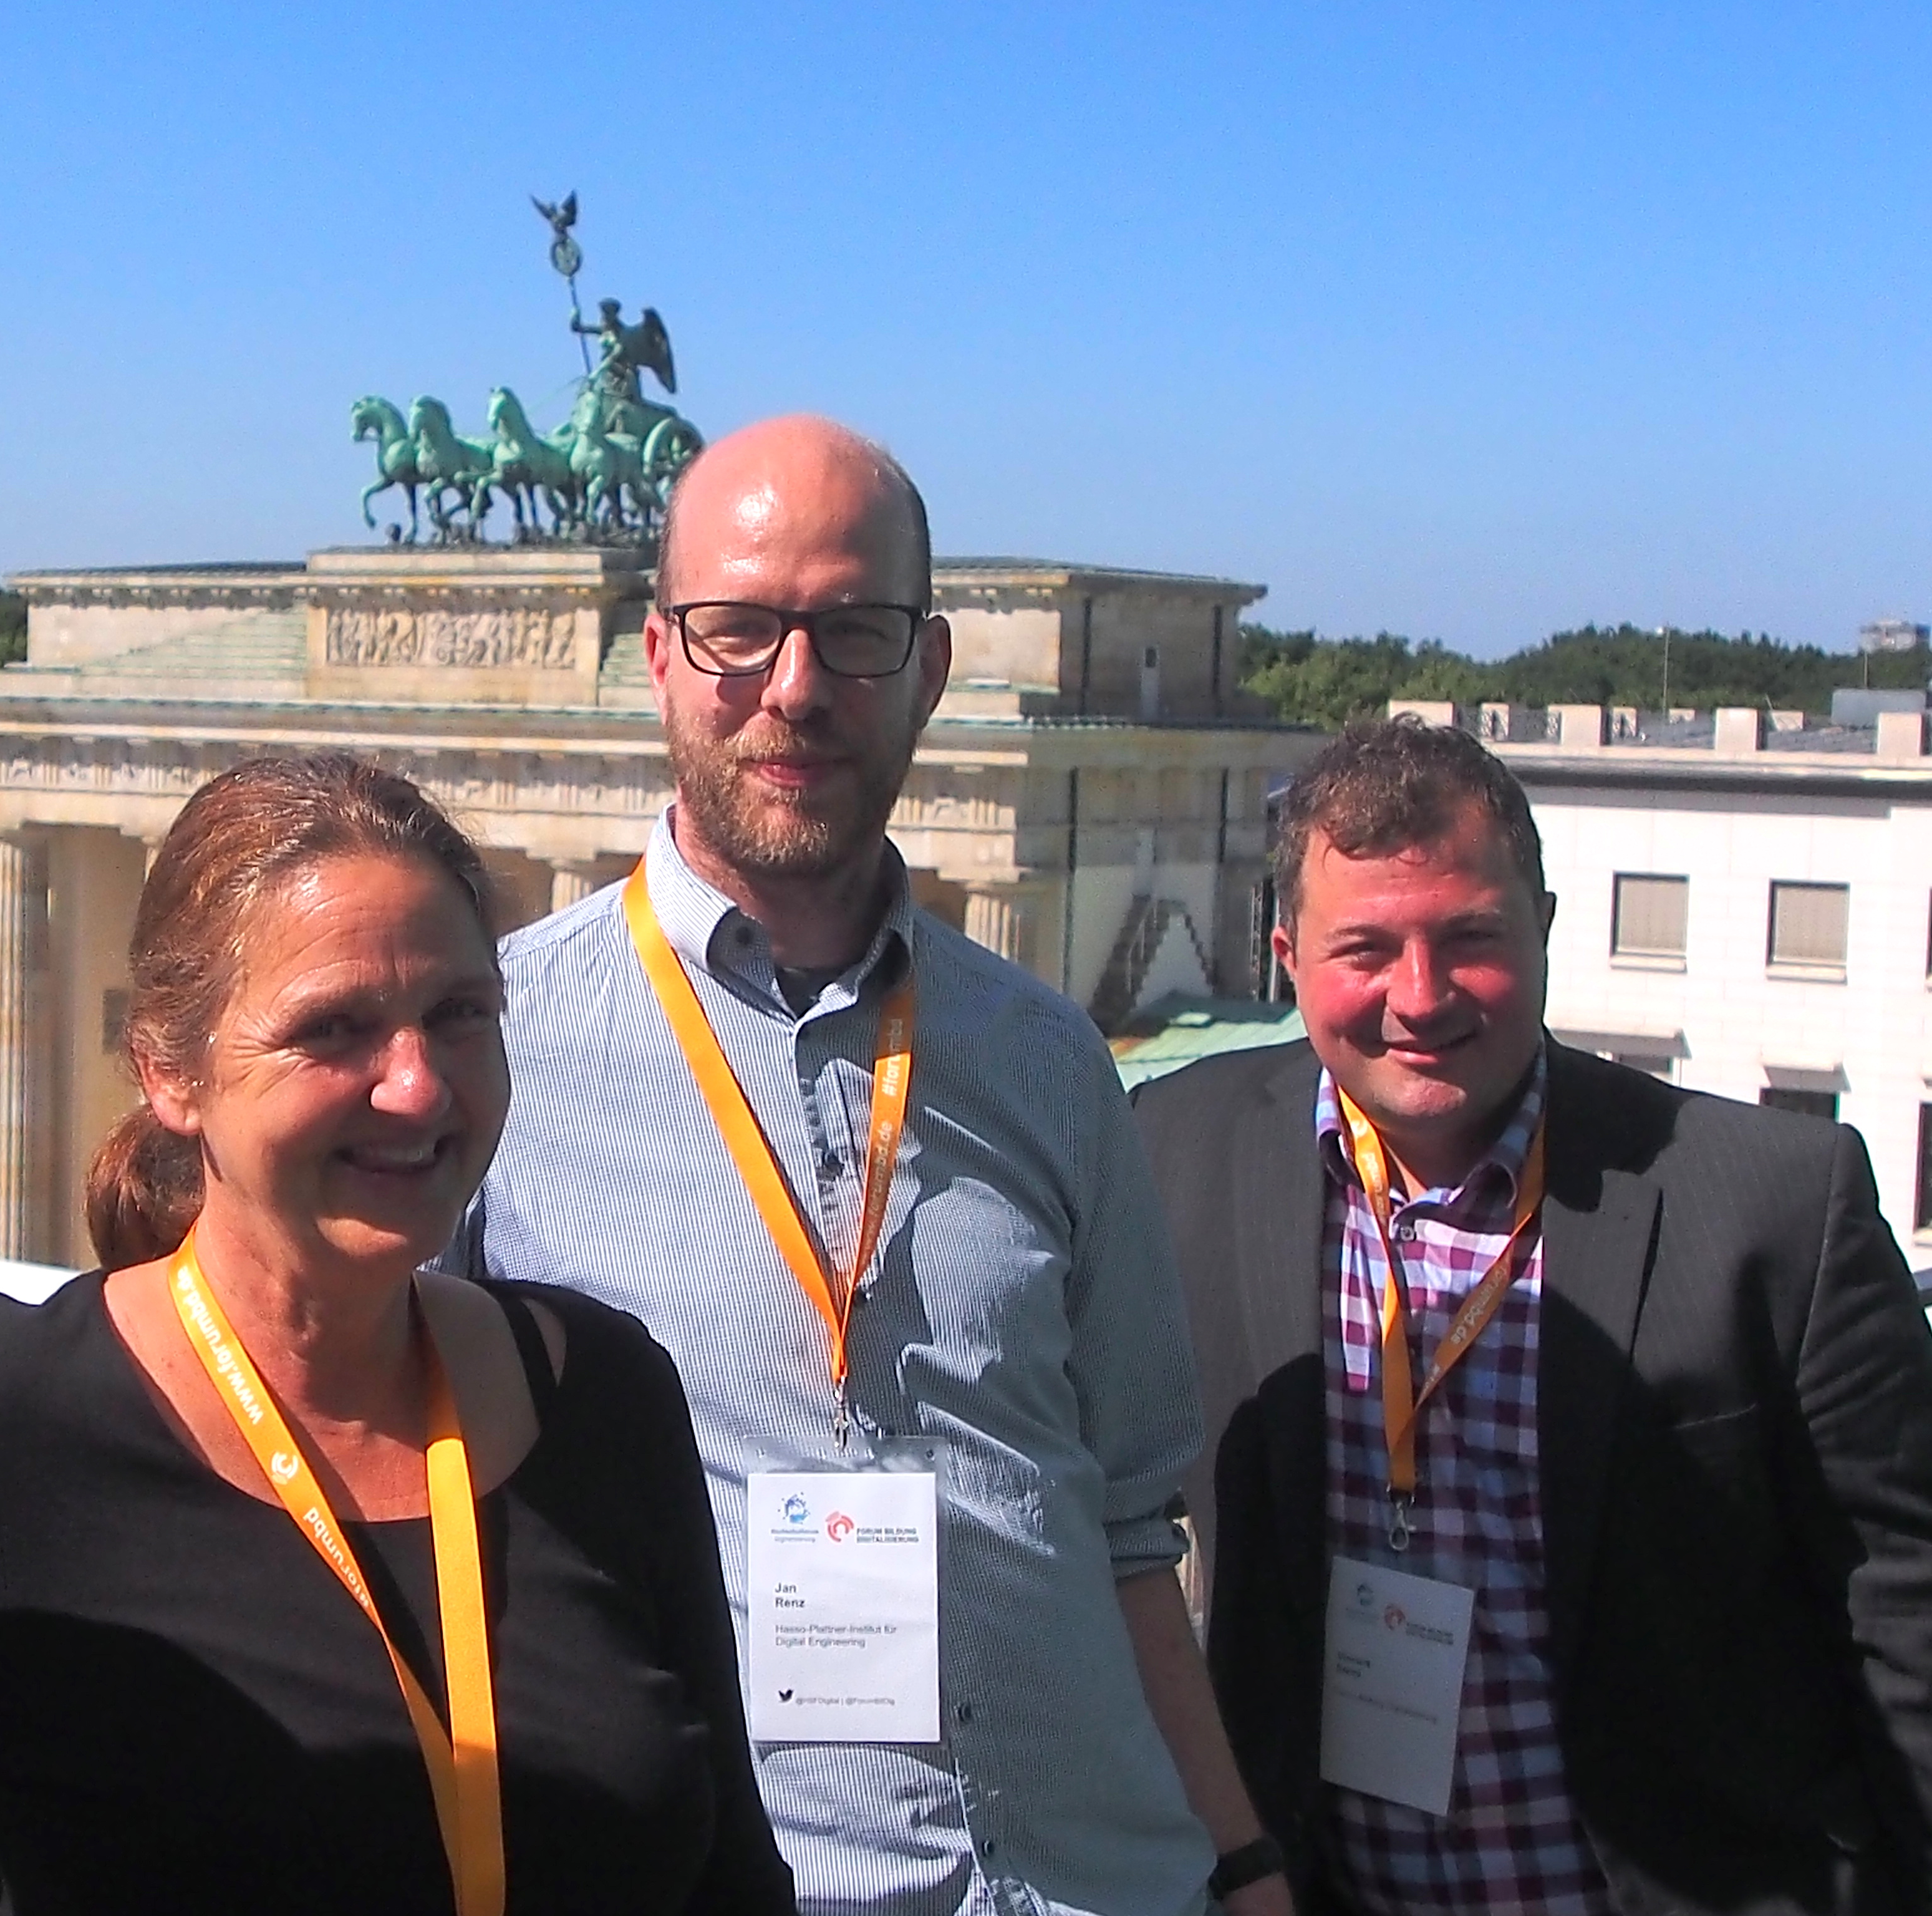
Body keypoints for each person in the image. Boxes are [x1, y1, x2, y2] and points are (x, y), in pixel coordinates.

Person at [439, 414, 1286, 1916]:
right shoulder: (495, 1054)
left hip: (1099, 1883)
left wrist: (1245, 1864)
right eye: (741, 629)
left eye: (855, 631)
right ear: (658, 657)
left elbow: (1126, 1528)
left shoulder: (1047, 1060)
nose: (796, 685)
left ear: (933, 669)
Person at [0, 753, 792, 1915]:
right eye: (334, 1029)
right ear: (169, 1070)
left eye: (457, 1015)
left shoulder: (597, 1388)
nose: (416, 1086)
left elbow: (731, 1879)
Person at [1131, 715, 1932, 1915]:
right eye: (1367, 948)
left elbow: (1906, 1609)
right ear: (1287, 955)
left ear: (1546, 931)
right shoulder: (1165, 1155)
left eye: (1470, 938)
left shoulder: (1774, 1206)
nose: (1421, 996)